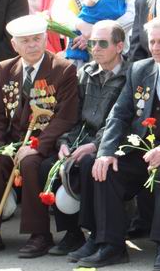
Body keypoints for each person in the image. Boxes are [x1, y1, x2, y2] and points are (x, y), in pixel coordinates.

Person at [76, 15, 160, 271]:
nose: (156, 47)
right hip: (139, 147)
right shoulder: (139, 70)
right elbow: (119, 114)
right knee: (104, 168)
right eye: (152, 42)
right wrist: (106, 151)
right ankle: (111, 245)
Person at [0, 14, 79, 258]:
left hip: (46, 142)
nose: (32, 45)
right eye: (25, 41)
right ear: (14, 44)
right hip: (13, 141)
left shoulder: (63, 69)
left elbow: (66, 117)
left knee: (29, 163)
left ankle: (39, 235)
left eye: (37, 39)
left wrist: (39, 145)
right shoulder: (6, 69)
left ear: (44, 39)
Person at [38, 21, 129, 257]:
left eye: (102, 43)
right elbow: (71, 116)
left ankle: (94, 234)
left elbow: (123, 121)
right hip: (80, 139)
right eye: (91, 43)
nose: (95, 48)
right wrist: (64, 143)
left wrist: (95, 146)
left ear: (119, 46)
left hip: (111, 142)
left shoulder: (131, 75)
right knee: (48, 165)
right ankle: (72, 234)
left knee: (89, 164)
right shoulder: (85, 73)